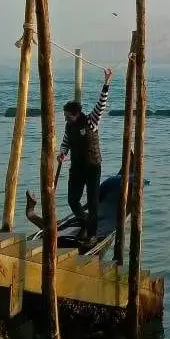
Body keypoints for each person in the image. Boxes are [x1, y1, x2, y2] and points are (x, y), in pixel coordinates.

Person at [58, 67, 113, 244]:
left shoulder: (91, 121)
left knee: (92, 199)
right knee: (72, 200)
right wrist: (62, 153)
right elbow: (66, 142)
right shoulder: (69, 126)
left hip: (92, 166)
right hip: (77, 167)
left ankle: (92, 233)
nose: (66, 119)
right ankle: (86, 221)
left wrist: (106, 82)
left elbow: (101, 104)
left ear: (76, 114)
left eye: (68, 117)